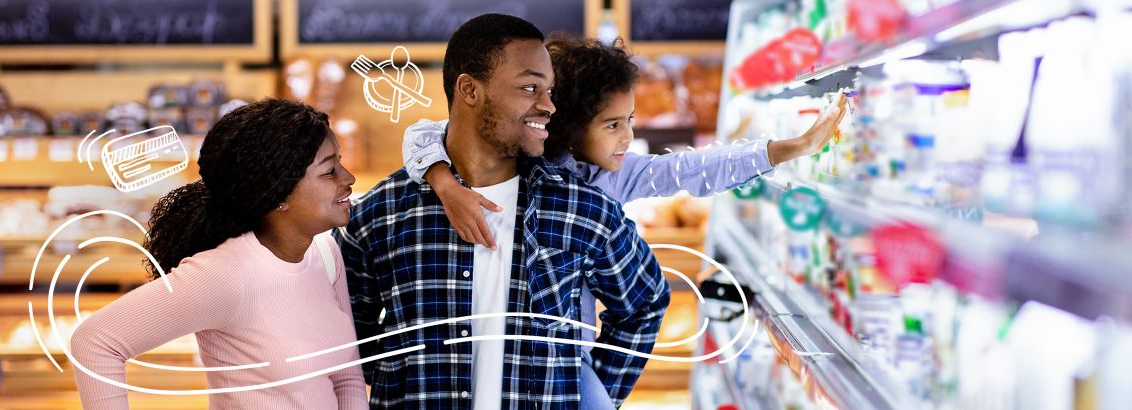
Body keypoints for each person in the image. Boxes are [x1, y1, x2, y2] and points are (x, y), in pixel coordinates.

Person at [401, 36, 848, 409]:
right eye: (613, 124)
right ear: (569, 127)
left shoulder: (612, 179)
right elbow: (422, 132)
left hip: (563, 365)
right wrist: (445, 184)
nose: (628, 136)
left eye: (629, 121)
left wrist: (790, 147)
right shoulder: (511, 161)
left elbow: (693, 170)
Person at [336, 14, 670, 409]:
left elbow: (643, 305)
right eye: (530, 87)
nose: (547, 106)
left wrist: (586, 397)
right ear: (469, 90)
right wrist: (405, 381)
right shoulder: (381, 215)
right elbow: (347, 340)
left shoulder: (581, 210)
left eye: (550, 91)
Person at [70, 99, 366, 409]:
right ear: (279, 194)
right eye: (330, 171)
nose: (348, 178)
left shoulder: (325, 252)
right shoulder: (225, 274)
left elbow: (346, 378)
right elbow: (95, 342)